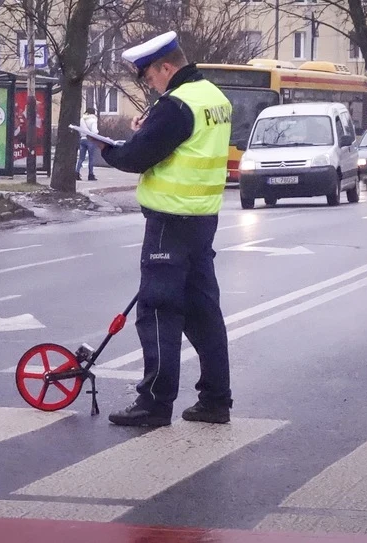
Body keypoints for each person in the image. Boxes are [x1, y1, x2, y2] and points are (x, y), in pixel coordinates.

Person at [91, 31, 233, 427]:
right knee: (203, 313)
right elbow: (183, 144)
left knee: (158, 311)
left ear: (166, 67)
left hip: (170, 223)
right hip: (202, 220)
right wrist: (149, 126)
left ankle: (154, 404)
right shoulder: (214, 98)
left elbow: (138, 157)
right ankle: (215, 401)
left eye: (150, 77)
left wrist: (107, 148)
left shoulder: (176, 105)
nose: (150, 85)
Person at [76, 107, 99, 181]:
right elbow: (94, 131)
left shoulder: (82, 119)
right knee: (91, 158)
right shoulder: (93, 120)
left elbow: (80, 130)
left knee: (81, 158)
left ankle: (76, 173)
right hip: (90, 140)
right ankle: (90, 175)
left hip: (82, 139)